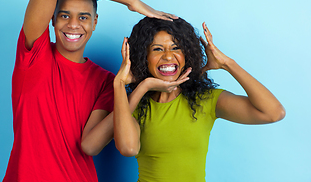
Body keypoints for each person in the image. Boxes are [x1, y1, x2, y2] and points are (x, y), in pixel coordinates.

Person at [3, 0, 176, 182]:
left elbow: (90, 145)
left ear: (94, 22)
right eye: (64, 15)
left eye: (83, 17)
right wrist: (131, 0)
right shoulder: (33, 56)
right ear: (52, 20)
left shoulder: (105, 81)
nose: (73, 24)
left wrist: (137, 89)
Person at [113, 17, 286, 182]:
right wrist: (127, 84)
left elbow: (274, 112)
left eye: (176, 48)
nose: (168, 56)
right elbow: (127, 148)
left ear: (187, 54)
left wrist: (227, 63)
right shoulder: (134, 104)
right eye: (157, 49)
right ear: (143, 57)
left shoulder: (205, 99)